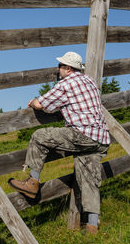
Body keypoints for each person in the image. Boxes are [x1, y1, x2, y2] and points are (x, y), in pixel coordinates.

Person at [8, 51, 110, 234]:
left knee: (39, 136)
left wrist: (33, 102)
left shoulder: (66, 83)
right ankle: (92, 226)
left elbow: (42, 104)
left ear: (69, 69)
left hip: (83, 134)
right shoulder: (89, 81)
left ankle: (32, 182)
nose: (58, 69)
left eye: (61, 66)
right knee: (89, 179)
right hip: (100, 138)